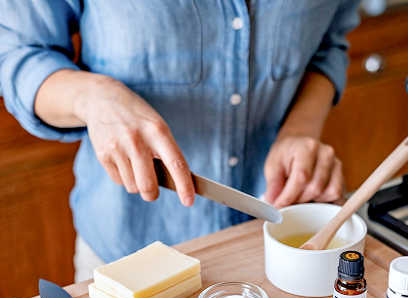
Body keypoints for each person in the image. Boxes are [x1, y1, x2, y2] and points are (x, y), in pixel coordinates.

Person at [0, 1, 360, 280]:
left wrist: (301, 129)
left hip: (284, 243)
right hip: (129, 258)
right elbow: (18, 53)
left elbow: (328, 45)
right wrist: (93, 97)